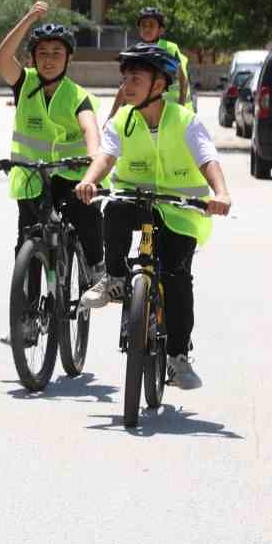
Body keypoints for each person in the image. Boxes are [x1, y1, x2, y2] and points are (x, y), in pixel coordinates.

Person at [74, 43, 231, 389]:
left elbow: (207, 159)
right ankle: (115, 279)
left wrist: (220, 193)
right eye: (125, 77)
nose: (127, 85)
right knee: (112, 209)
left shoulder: (184, 121)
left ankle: (177, 357)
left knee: (176, 279)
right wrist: (89, 180)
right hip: (137, 204)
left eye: (136, 78)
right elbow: (106, 156)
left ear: (158, 85)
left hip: (178, 212)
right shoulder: (122, 120)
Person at [0, 3, 103, 273]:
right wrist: (28, 18)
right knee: (27, 242)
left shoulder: (77, 95)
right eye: (42, 53)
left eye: (57, 53)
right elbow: (3, 57)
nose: (49, 59)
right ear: (32, 58)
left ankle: (96, 266)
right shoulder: (24, 83)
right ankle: (28, 312)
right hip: (33, 176)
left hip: (72, 176)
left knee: (86, 216)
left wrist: (92, 160)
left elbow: (91, 130)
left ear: (68, 59)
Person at [135, 7, 192, 106]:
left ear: (160, 30)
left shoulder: (169, 49)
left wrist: (181, 106)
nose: (147, 29)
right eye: (143, 25)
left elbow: (183, 80)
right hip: (149, 109)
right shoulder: (136, 52)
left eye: (151, 25)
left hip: (173, 109)